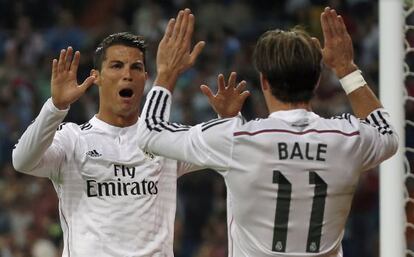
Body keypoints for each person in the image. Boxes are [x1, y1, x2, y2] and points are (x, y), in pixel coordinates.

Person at [137, 7, 398, 257]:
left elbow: (150, 133)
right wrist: (346, 68)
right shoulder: (348, 138)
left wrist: (166, 74)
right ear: (317, 80)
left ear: (263, 81)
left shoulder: (236, 139)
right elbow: (387, 134)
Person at [12, 9, 220, 257]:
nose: (127, 75)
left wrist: (228, 119)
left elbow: (224, 147)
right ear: (96, 76)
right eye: (117, 66)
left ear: (145, 77)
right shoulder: (73, 139)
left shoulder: (165, 141)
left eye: (136, 67)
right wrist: (55, 108)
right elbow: (22, 161)